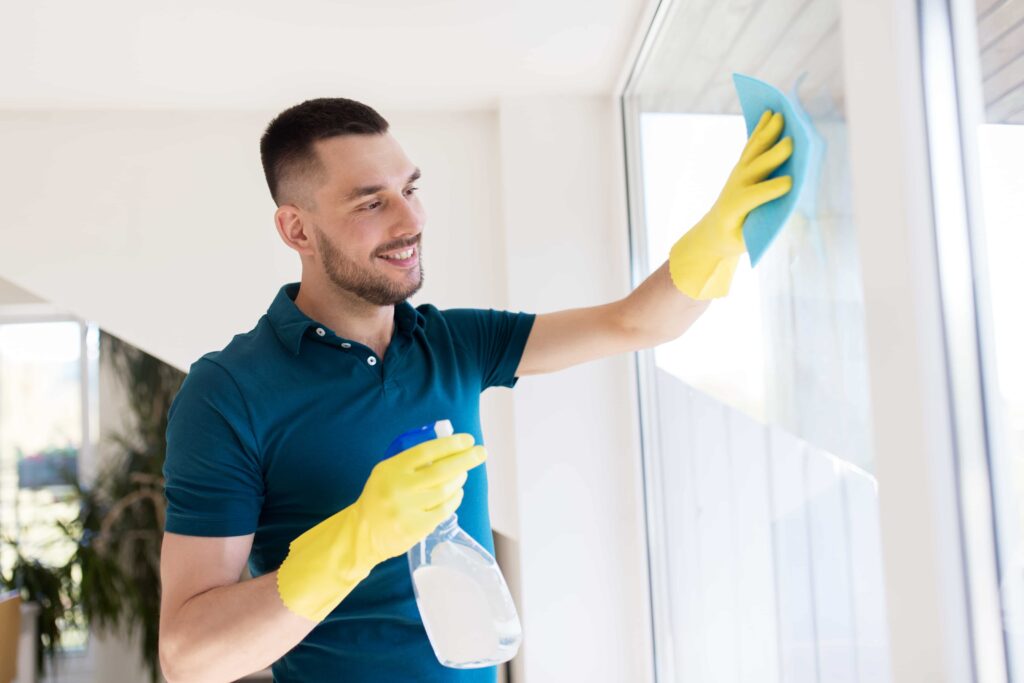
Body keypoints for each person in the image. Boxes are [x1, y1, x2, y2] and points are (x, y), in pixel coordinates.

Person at [157, 98, 791, 683]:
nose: (412, 221)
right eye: (371, 203)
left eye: (410, 189)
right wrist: (356, 537)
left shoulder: (453, 343)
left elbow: (635, 322)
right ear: (297, 231)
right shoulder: (228, 392)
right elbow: (189, 656)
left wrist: (724, 231)